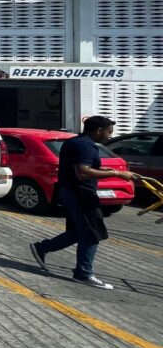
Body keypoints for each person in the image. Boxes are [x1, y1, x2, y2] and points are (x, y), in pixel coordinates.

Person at [29, 116, 137, 289]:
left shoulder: (75, 142)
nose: (110, 135)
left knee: (77, 232)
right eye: (109, 132)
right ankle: (83, 274)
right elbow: (83, 172)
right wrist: (117, 174)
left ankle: (42, 248)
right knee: (92, 234)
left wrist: (106, 169)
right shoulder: (86, 146)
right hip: (80, 194)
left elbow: (78, 167)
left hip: (71, 192)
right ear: (98, 131)